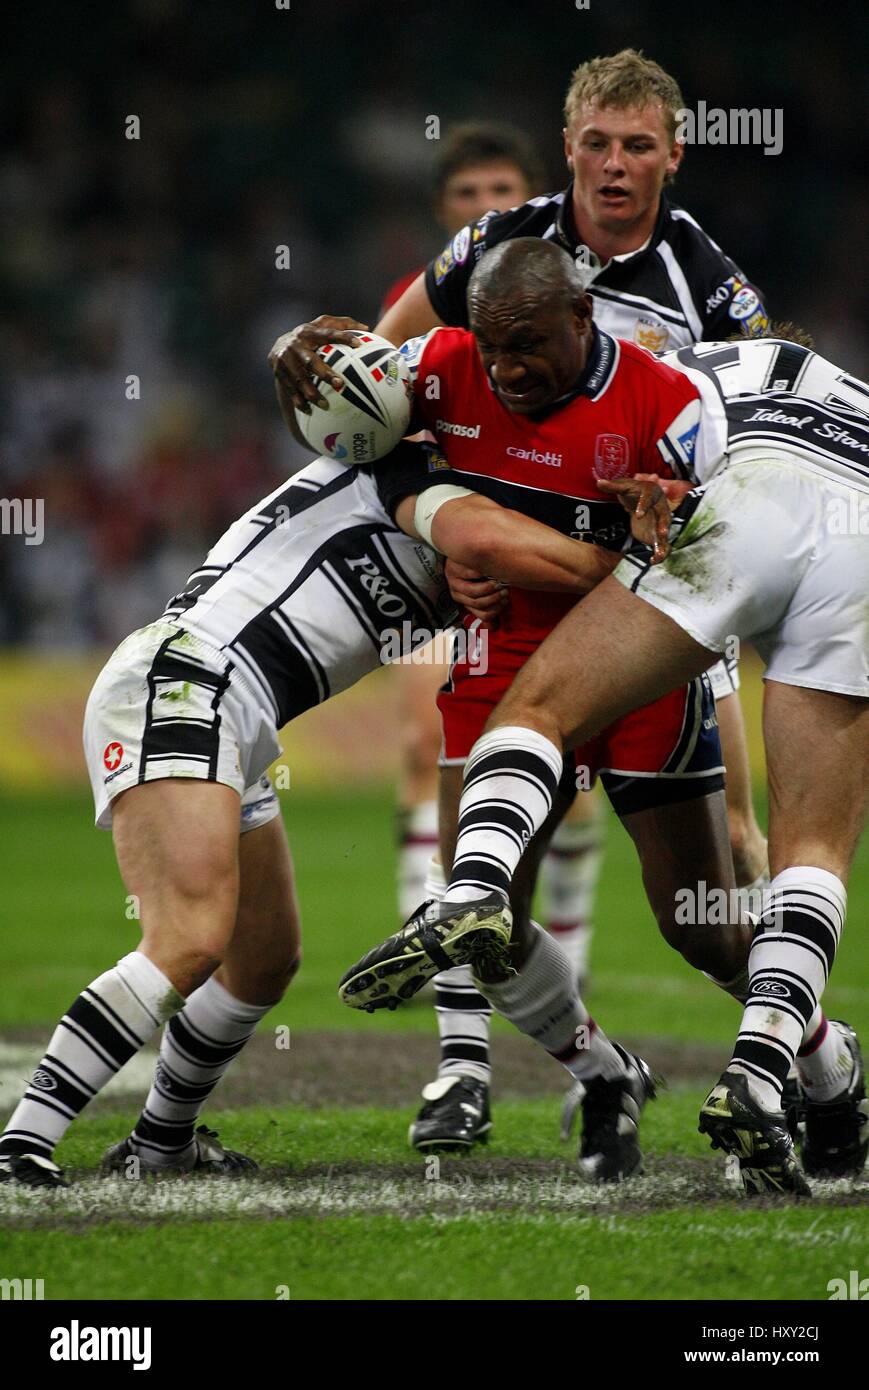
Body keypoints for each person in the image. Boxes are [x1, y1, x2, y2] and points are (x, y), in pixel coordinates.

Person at [272, 48, 771, 1146]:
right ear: (567, 148)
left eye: (636, 144)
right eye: (594, 141)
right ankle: (573, 1076)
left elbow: (754, 466)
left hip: (654, 604)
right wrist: (430, 511)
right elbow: (387, 371)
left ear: (672, 156)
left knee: (713, 880)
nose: (611, 164)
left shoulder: (712, 291)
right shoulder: (495, 250)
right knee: (481, 895)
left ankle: (788, 1046)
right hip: (515, 604)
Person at [0, 430, 625, 1188]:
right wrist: (637, 571)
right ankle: (21, 1145)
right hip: (190, 680)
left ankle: (164, 1142)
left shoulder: (465, 490)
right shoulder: (418, 463)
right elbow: (485, 531)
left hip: (230, 704)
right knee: (189, 937)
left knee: (262, 958)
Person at [341, 303, 869, 1195]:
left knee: (538, 715)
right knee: (809, 848)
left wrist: (456, 532)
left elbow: (638, 497)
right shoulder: (841, 392)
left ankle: (468, 895)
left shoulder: (669, 375)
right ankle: (771, 1070)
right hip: (856, 531)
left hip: (736, 517)